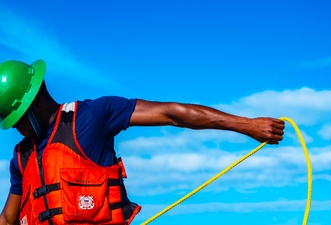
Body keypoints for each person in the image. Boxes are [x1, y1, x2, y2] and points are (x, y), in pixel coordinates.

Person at [0, 59, 285, 225]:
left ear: (34, 102)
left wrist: (246, 125)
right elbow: (8, 219)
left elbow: (172, 114)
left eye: (17, 119)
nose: (16, 128)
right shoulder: (21, 156)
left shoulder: (92, 116)